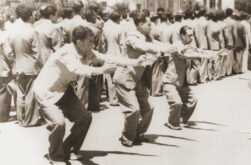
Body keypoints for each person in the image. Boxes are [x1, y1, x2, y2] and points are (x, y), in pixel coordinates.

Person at [33, 26, 147, 165]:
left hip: (63, 89)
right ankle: (55, 156)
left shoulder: (88, 51)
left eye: (93, 42)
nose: (93, 45)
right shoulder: (66, 52)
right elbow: (77, 68)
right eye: (90, 41)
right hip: (46, 91)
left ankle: (68, 149)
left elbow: (108, 57)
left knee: (85, 118)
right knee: (58, 123)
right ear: (79, 41)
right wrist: (101, 70)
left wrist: (135, 62)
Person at [113, 13, 179, 147]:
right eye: (148, 24)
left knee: (148, 109)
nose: (151, 26)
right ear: (139, 24)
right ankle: (126, 138)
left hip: (137, 80)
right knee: (133, 110)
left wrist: (173, 47)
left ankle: (137, 134)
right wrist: (161, 50)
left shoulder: (147, 37)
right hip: (125, 79)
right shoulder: (132, 36)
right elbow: (142, 46)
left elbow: (158, 44)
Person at [163, 25, 225, 130]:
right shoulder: (176, 46)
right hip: (170, 81)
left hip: (181, 82)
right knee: (176, 102)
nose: (191, 38)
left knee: (192, 100)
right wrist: (207, 56)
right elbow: (186, 55)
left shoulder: (189, 46)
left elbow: (200, 51)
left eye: (192, 35)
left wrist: (216, 53)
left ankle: (182, 119)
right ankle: (172, 122)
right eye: (189, 35)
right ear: (182, 36)